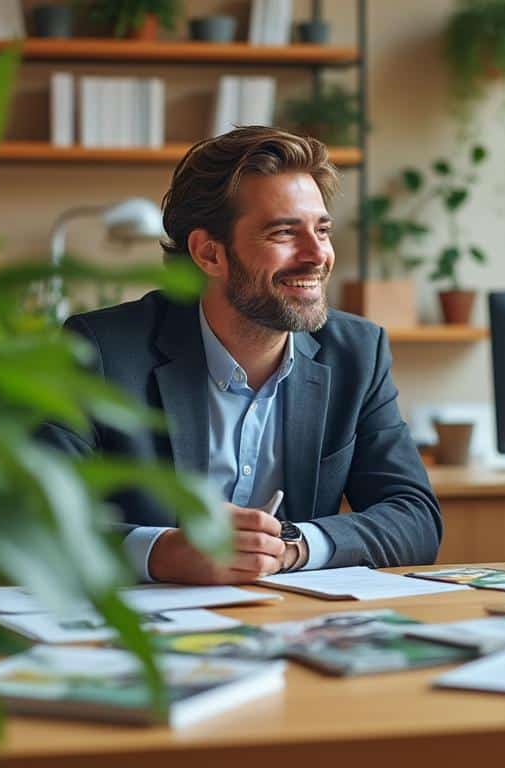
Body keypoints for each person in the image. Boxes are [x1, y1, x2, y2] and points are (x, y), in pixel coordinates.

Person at [40, 127, 442, 584]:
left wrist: (288, 546)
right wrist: (161, 552)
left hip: (291, 626)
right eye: (284, 233)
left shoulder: (357, 353)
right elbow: (36, 518)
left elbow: (415, 519)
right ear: (209, 253)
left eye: (322, 230)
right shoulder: (101, 350)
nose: (317, 256)